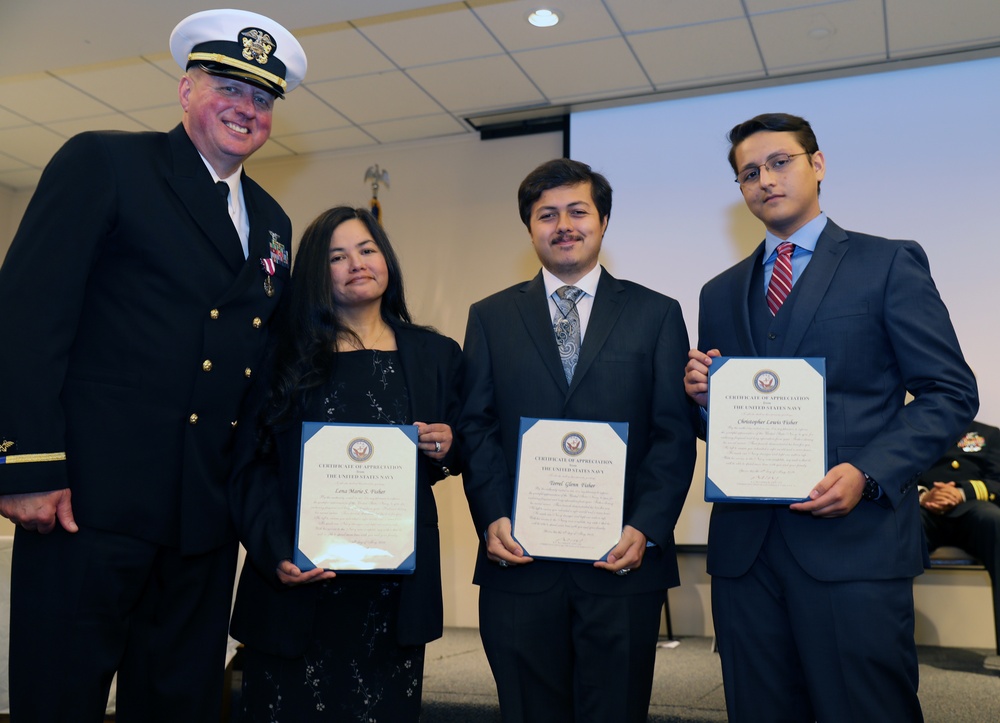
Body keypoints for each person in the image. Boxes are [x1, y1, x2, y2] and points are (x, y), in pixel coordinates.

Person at [0, 9, 306, 722]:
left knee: (178, 704)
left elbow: (260, 369)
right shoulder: (105, 162)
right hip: (86, 506)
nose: (246, 108)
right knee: (60, 697)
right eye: (228, 86)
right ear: (186, 90)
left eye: (262, 98)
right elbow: (27, 317)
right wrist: (29, 466)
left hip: (201, 516)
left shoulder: (272, 224)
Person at [683, 112, 979, 721]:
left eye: (780, 162)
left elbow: (949, 391)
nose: (765, 179)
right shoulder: (719, 292)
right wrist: (704, 400)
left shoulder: (888, 263)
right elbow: (729, 425)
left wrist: (868, 472)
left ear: (818, 165)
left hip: (854, 545)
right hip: (746, 557)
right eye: (749, 172)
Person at [459, 158, 697, 722]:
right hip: (519, 561)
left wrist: (646, 526)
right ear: (530, 228)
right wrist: (491, 514)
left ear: (604, 220)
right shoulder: (490, 316)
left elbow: (673, 432)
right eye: (546, 215)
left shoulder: (656, 314)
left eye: (577, 211)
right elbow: (476, 424)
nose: (563, 225)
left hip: (620, 561)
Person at [228, 206, 462, 721]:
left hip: (392, 598)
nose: (356, 263)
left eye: (367, 249)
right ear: (317, 271)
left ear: (387, 261)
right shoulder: (279, 356)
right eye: (337, 256)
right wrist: (276, 553)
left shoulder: (437, 354)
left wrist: (449, 444)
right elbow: (249, 468)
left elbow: (464, 441)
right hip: (299, 587)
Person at [919, 420, 1000, 653]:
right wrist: (923, 495)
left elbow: (998, 481)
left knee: (996, 521)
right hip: (924, 509)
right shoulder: (915, 429)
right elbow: (901, 473)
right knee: (900, 529)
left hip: (973, 511)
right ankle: (887, 647)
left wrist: (961, 492)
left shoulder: (989, 434)